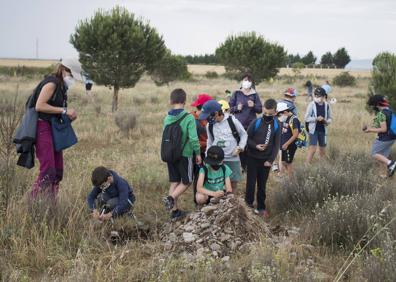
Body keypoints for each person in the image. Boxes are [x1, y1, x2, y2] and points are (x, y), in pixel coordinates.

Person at [31, 59, 81, 199]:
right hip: (42, 127)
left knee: (57, 171)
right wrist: (64, 111)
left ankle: (51, 204)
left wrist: (66, 115)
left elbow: (54, 109)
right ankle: (32, 203)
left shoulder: (61, 86)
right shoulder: (52, 83)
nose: (73, 79)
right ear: (64, 70)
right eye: (72, 75)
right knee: (48, 170)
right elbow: (39, 106)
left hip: (52, 128)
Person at [162, 88, 202, 219]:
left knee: (174, 180)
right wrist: (198, 153)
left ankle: (174, 212)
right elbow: (194, 138)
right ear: (184, 101)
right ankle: (171, 198)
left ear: (171, 101)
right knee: (187, 180)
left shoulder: (167, 117)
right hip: (185, 154)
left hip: (170, 154)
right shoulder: (189, 117)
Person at [199, 100, 247, 191]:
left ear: (216, 113)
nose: (207, 119)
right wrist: (207, 157)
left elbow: (244, 134)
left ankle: (231, 202)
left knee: (232, 183)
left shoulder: (232, 121)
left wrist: (240, 147)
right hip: (216, 159)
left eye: (208, 116)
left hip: (232, 158)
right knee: (218, 183)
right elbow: (210, 141)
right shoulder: (209, 125)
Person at [245, 99, 280, 218]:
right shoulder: (256, 122)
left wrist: (270, 160)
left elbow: (276, 145)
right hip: (252, 158)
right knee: (250, 183)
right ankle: (248, 205)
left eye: (270, 114)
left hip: (265, 161)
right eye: (265, 113)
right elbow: (247, 138)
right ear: (263, 110)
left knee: (262, 185)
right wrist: (256, 146)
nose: (267, 116)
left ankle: (261, 207)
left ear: (275, 112)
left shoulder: (277, 125)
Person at [229, 73, 262, 172]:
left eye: (248, 80)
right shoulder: (236, 93)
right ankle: (241, 166)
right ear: (241, 81)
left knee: (250, 145)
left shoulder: (254, 94)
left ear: (251, 83)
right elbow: (230, 109)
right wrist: (237, 108)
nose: (246, 82)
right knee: (239, 145)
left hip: (251, 124)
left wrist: (254, 106)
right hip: (238, 124)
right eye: (245, 80)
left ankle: (248, 166)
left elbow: (260, 109)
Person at [364, 95, 396, 177]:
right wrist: (371, 127)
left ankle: (391, 163)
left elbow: (383, 129)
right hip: (391, 138)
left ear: (376, 104)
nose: (373, 107)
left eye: (373, 105)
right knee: (383, 157)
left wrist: (369, 130)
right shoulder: (390, 110)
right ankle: (383, 175)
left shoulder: (381, 114)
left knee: (374, 153)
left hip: (384, 138)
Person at [190, 93, 213, 204]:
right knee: (199, 176)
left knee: (207, 176)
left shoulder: (208, 118)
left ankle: (207, 199)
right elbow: (192, 141)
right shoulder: (193, 120)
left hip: (207, 152)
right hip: (198, 154)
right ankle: (198, 201)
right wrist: (208, 143)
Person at [305, 87, 332, 164]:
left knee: (322, 149)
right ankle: (306, 164)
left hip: (323, 130)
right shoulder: (311, 105)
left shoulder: (327, 105)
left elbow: (330, 118)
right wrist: (316, 119)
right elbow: (306, 118)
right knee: (312, 148)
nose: (318, 98)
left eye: (320, 96)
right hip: (313, 130)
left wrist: (326, 121)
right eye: (316, 96)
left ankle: (322, 166)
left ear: (324, 96)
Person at [277, 102, 300, 178]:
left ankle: (291, 180)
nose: (279, 117)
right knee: (283, 162)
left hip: (290, 145)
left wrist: (287, 144)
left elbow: (296, 134)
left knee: (288, 163)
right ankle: (288, 176)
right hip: (284, 145)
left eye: (279, 115)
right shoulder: (285, 118)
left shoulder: (294, 119)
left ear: (285, 112)